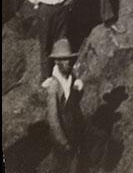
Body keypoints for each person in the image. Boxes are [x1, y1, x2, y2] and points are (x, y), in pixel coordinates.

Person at [45, 38, 85, 173]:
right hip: (61, 139)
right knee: (62, 166)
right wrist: (63, 142)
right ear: (57, 62)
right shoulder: (54, 87)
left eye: (69, 59)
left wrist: (79, 89)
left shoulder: (70, 78)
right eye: (65, 60)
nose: (69, 63)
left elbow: (73, 105)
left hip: (73, 134)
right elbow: (53, 119)